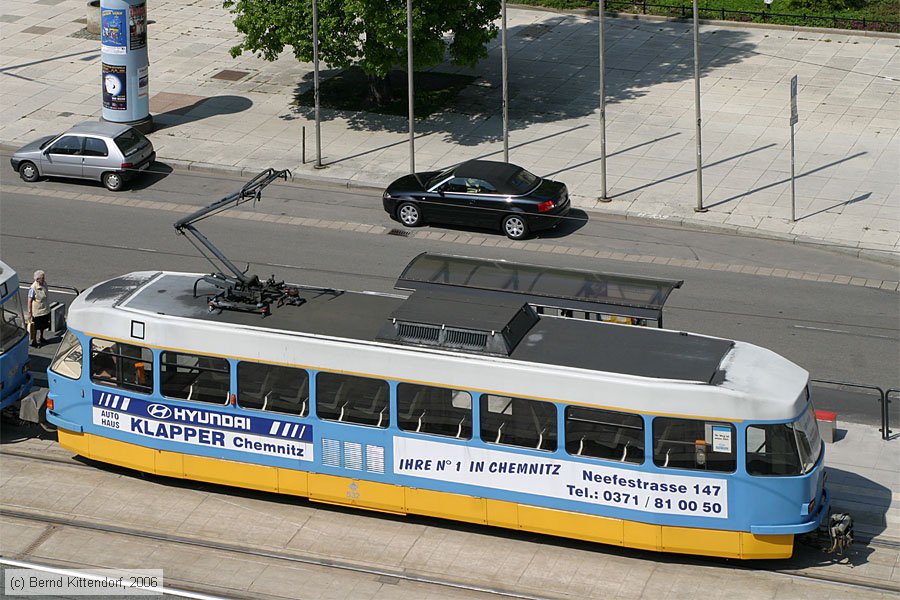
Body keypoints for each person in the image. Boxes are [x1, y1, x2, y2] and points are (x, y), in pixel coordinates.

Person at [27, 270, 50, 347]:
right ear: (37, 279)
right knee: (36, 327)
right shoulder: (33, 288)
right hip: (37, 311)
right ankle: (34, 341)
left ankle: (41, 337)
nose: (44, 279)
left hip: (45, 309)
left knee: (43, 325)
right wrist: (30, 313)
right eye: (42, 278)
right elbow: (29, 301)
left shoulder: (44, 284)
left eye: (43, 278)